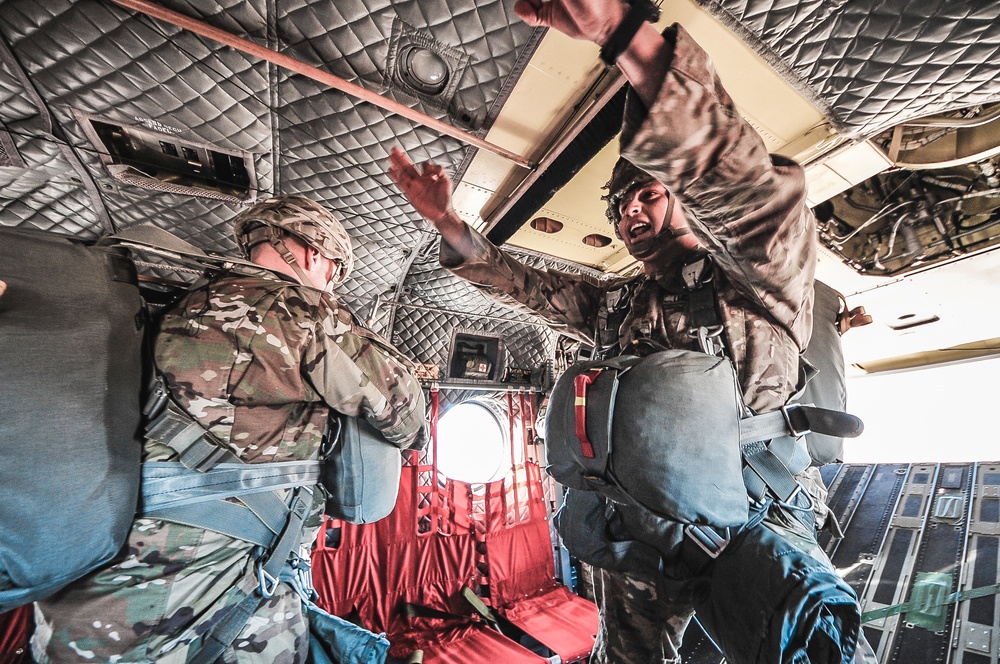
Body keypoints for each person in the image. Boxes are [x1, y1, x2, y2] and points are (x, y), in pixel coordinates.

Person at [387, 0, 863, 661]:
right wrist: (448, 225)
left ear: (681, 196)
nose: (630, 211)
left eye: (646, 193)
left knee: (794, 644)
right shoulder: (616, 304)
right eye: (620, 205)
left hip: (750, 516)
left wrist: (627, 40)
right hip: (638, 526)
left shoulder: (753, 280)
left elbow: (761, 203)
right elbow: (523, 285)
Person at [31, 196, 427, 663]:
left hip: (108, 559)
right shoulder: (303, 310)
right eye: (334, 274)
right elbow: (405, 415)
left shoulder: (177, 304)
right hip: (224, 557)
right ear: (315, 254)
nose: (330, 285)